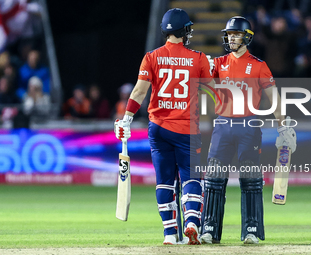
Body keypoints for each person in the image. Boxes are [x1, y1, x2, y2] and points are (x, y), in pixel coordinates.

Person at [114, 8, 213, 245]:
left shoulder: (152, 57)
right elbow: (213, 90)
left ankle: (169, 234)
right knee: (191, 179)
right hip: (187, 129)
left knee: (164, 181)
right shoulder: (198, 58)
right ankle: (191, 222)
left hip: (158, 128)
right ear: (183, 31)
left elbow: (139, 92)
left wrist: (127, 118)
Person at [200, 16, 297, 245]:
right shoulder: (218, 63)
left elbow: (274, 98)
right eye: (229, 34)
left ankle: (251, 230)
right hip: (222, 125)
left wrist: (283, 125)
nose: (232, 38)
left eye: (236, 34)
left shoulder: (259, 65)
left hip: (249, 127)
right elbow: (203, 86)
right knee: (213, 179)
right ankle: (209, 229)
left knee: (251, 180)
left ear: (247, 37)